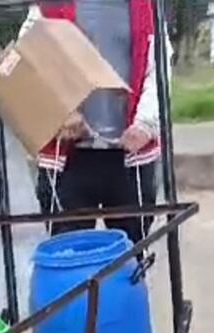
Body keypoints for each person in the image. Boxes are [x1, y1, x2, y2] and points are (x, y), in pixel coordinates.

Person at [26, 0, 169, 244]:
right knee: (69, 254)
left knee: (131, 254)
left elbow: (159, 67)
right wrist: (61, 112)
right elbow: (29, 61)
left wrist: (146, 124)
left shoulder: (146, 6)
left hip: (129, 156)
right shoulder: (49, 6)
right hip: (68, 158)